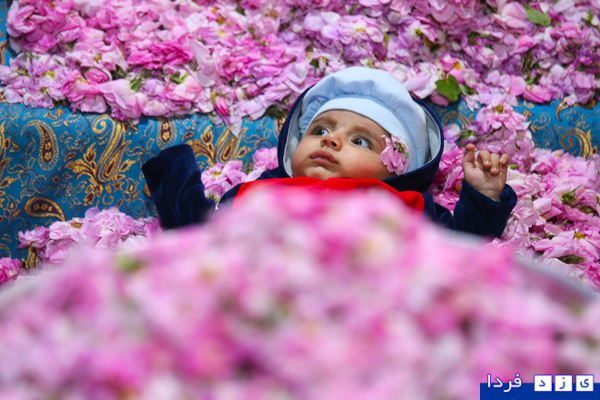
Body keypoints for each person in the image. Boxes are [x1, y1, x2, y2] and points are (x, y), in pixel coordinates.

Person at [142, 67, 517, 238]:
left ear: (398, 170)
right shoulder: (256, 192)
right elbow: (201, 236)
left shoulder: (409, 205)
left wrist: (483, 195)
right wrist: (177, 176)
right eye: (320, 130)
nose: (331, 140)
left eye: (360, 141)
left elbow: (464, 249)